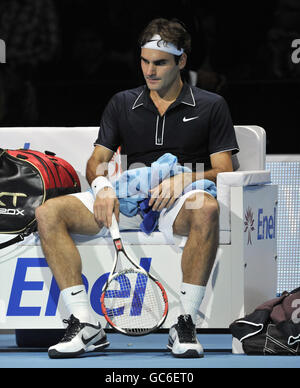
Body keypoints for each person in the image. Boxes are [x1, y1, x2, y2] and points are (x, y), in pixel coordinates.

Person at [35, 18, 239, 359]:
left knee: (206, 207)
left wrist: (184, 178)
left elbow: (223, 169)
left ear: (182, 61)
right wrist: (102, 186)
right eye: (144, 61)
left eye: (159, 63)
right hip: (129, 200)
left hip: (178, 201)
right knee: (48, 212)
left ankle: (185, 323)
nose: (150, 70)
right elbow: (96, 161)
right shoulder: (122, 103)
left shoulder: (210, 105)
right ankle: (85, 323)